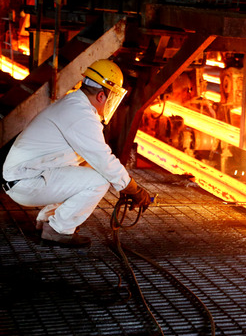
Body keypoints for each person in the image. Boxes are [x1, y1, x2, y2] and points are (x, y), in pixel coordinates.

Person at [2, 59, 151, 247]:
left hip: (25, 177)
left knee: (87, 167)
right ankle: (58, 230)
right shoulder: (81, 115)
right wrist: (132, 188)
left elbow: (94, 161)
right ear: (101, 96)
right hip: (26, 182)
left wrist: (122, 183)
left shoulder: (73, 103)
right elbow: (104, 159)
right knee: (100, 180)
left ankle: (47, 220)